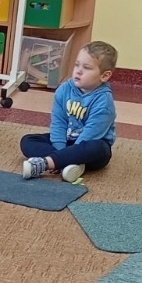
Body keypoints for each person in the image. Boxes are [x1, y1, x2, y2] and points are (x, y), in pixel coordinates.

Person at [20, 40, 118, 182]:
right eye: (77, 65)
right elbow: (58, 123)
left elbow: (91, 134)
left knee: (99, 148)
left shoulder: (103, 102)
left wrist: (66, 155)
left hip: (88, 147)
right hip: (67, 141)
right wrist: (62, 153)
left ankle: (47, 163)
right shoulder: (64, 89)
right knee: (28, 140)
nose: (78, 71)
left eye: (86, 67)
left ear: (104, 76)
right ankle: (65, 165)